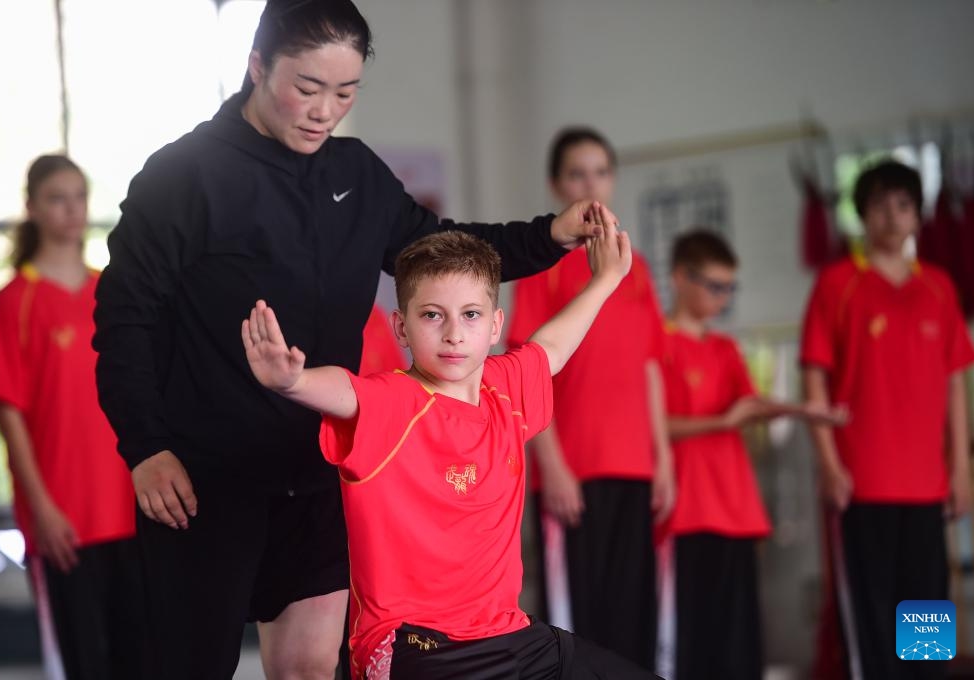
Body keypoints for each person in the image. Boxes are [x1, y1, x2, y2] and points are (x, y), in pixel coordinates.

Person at [92, 2, 607, 678]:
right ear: (256, 67)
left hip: (317, 471)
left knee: (310, 669)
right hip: (201, 478)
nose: (324, 110)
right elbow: (123, 319)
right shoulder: (182, 176)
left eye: (346, 92)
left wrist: (550, 236)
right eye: (307, 88)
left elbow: (446, 255)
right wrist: (146, 448)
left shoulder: (356, 175)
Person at [244, 220, 659, 679]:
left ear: (496, 325)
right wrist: (294, 382)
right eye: (432, 315)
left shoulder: (507, 389)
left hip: (510, 638)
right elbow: (346, 391)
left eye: (471, 315)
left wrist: (606, 278)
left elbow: (553, 346)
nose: (454, 334)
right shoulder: (394, 401)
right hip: (415, 648)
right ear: (401, 327)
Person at [801, 159, 974, 680]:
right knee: (873, 623)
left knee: (926, 618)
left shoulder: (940, 288)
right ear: (862, 215)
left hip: (926, 486)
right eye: (879, 205)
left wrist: (962, 468)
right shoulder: (837, 284)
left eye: (903, 205)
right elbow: (814, 380)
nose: (892, 217)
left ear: (918, 217)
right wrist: (830, 465)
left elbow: (955, 386)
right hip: (861, 485)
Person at [506, 126, 673, 666]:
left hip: (634, 469)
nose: (591, 184)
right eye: (578, 173)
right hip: (573, 473)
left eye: (601, 171)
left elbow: (649, 367)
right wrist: (550, 464)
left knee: (635, 615)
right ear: (557, 185)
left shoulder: (634, 266)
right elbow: (528, 372)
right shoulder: (542, 268)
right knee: (578, 624)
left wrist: (663, 457)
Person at [0, 155, 144, 680]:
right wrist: (41, 509)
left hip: (129, 508)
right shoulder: (13, 302)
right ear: (31, 208)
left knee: (138, 659)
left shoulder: (112, 292)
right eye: (56, 198)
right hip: (64, 520)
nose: (71, 210)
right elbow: (9, 417)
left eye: (79, 196)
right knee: (80, 664)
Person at [655, 229, 845, 680]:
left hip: (735, 510)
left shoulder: (725, 348)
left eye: (729, 287)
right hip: (686, 511)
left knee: (739, 640)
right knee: (694, 638)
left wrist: (804, 409)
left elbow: (752, 406)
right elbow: (652, 425)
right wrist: (720, 423)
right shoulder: (657, 344)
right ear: (681, 277)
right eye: (715, 286)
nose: (724, 297)